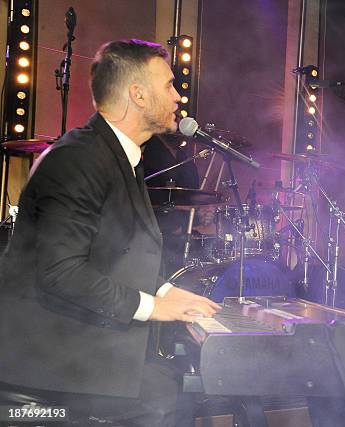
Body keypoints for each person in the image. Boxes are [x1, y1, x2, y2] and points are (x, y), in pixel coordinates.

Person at [0, 39, 221, 426]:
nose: (178, 95)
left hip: (78, 341)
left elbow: (116, 251)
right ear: (137, 94)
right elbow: (61, 272)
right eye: (169, 85)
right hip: (49, 359)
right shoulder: (78, 158)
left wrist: (168, 292)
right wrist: (153, 308)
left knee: (176, 387)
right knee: (167, 400)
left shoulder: (118, 154)